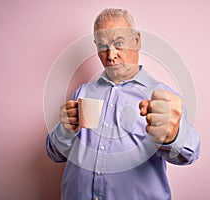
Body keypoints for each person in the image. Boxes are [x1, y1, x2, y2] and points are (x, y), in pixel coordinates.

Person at [46, 8, 200, 200]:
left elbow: (190, 153)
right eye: (102, 46)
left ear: (137, 40)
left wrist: (172, 135)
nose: (111, 55)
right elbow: (54, 154)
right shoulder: (82, 93)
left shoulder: (161, 97)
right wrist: (65, 131)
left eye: (118, 43)